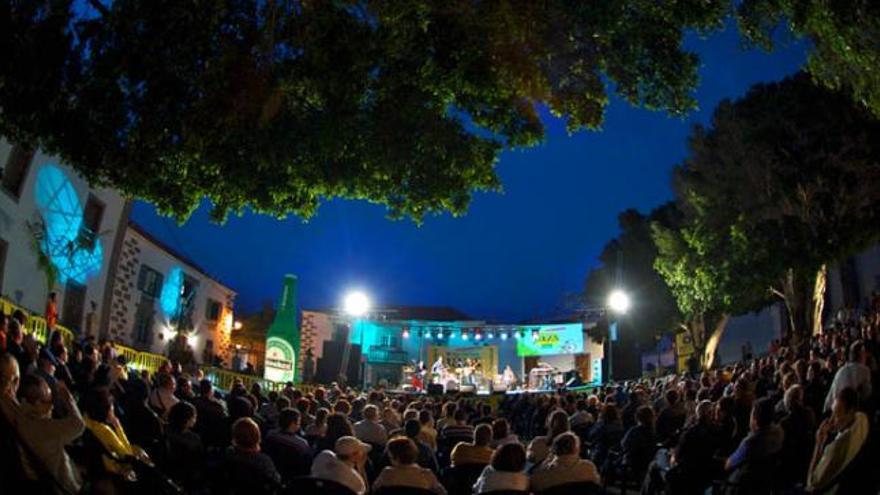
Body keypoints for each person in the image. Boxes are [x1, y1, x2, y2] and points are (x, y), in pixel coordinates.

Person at [15, 374, 84, 494]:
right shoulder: (42, 427)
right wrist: (69, 399)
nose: (52, 404)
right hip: (65, 487)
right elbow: (78, 425)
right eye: (50, 400)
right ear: (37, 403)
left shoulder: (21, 414)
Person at [807, 387, 871, 494]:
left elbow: (812, 483)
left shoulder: (834, 448)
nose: (831, 420)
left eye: (836, 415)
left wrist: (819, 444)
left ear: (851, 412)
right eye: (832, 412)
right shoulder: (862, 418)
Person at [724, 397, 784, 493]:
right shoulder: (779, 432)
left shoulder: (750, 442)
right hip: (765, 484)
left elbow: (728, 465)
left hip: (743, 486)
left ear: (755, 417)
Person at [372, 437, 446, 494]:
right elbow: (443, 493)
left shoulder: (387, 474)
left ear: (395, 457)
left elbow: (374, 490)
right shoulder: (427, 475)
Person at [530, 432, 600, 492]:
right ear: (576, 449)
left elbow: (534, 486)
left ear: (554, 449)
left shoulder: (541, 475)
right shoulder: (588, 468)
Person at [264, 408, 313, 482]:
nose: (299, 424)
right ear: (293, 423)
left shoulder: (270, 435)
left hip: (270, 475)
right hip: (292, 479)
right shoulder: (301, 444)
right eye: (299, 421)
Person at [165, 401, 205, 491]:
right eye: (194, 417)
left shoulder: (165, 429)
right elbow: (199, 460)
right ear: (187, 420)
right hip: (187, 476)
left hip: (170, 472)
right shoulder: (193, 439)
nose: (195, 419)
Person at [823, 341, 872, 412]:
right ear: (860, 354)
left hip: (832, 408)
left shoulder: (842, 369)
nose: (866, 355)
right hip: (844, 410)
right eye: (864, 353)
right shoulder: (864, 370)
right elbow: (867, 393)